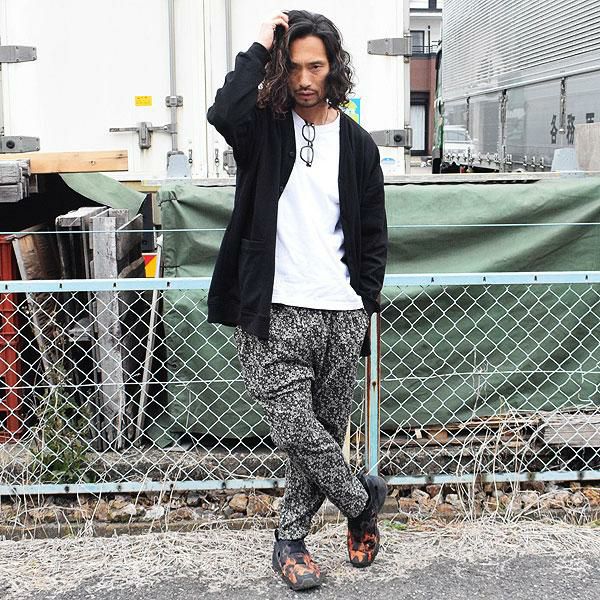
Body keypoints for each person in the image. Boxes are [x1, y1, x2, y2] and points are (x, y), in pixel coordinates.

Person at [207, 9, 388, 591]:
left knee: (322, 438)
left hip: (340, 311)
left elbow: (373, 234)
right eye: (293, 67)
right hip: (274, 307)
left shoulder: (357, 145)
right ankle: (361, 502)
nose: (305, 79)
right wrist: (262, 44)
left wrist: (365, 301)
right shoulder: (262, 128)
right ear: (280, 69)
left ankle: (290, 540)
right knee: (296, 429)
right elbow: (223, 111)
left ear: (334, 68)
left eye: (316, 66)